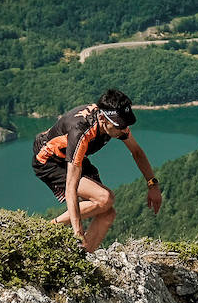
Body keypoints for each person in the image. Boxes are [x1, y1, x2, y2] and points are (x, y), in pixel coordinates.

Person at [32, 89, 162, 253]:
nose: (124, 130)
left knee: (108, 214)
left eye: (126, 124)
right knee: (105, 199)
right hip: (50, 160)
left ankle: (83, 257)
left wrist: (152, 185)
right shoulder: (81, 132)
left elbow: (136, 151)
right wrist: (78, 232)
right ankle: (46, 228)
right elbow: (70, 187)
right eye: (120, 126)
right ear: (102, 118)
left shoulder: (113, 121)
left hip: (73, 156)